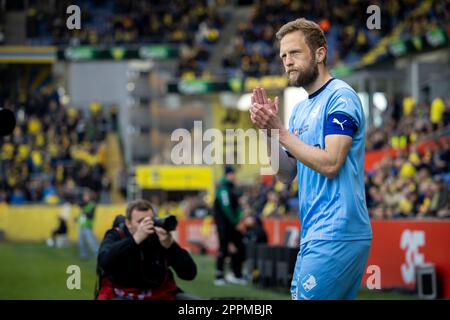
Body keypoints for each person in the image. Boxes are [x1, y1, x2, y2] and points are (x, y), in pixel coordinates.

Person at [249, 18, 372, 300]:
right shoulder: (300, 110)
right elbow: (286, 174)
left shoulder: (341, 97)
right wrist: (269, 133)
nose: (287, 62)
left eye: (294, 53)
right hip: (315, 233)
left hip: (337, 232)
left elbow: (331, 163)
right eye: (283, 56)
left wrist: (280, 130)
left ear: (320, 53)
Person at [96, 199, 198, 300]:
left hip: (160, 293)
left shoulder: (159, 237)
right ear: (128, 223)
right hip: (124, 294)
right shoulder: (117, 235)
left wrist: (170, 246)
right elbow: (104, 261)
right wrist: (135, 240)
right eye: (141, 221)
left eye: (150, 220)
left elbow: (189, 274)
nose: (147, 225)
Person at [213, 165, 247, 286]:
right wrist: (235, 221)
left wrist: (237, 220)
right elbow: (226, 208)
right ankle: (219, 276)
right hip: (224, 225)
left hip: (232, 225)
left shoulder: (232, 188)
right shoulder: (223, 189)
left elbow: (237, 206)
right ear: (227, 174)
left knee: (239, 248)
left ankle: (236, 274)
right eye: (232, 173)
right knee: (223, 249)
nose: (234, 176)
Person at [77, 190, 99, 260]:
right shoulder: (85, 204)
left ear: (89, 197)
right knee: (81, 241)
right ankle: (83, 255)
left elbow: (91, 215)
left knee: (92, 241)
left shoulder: (92, 204)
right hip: (82, 225)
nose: (84, 197)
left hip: (87, 226)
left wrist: (84, 213)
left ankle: (98, 254)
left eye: (85, 196)